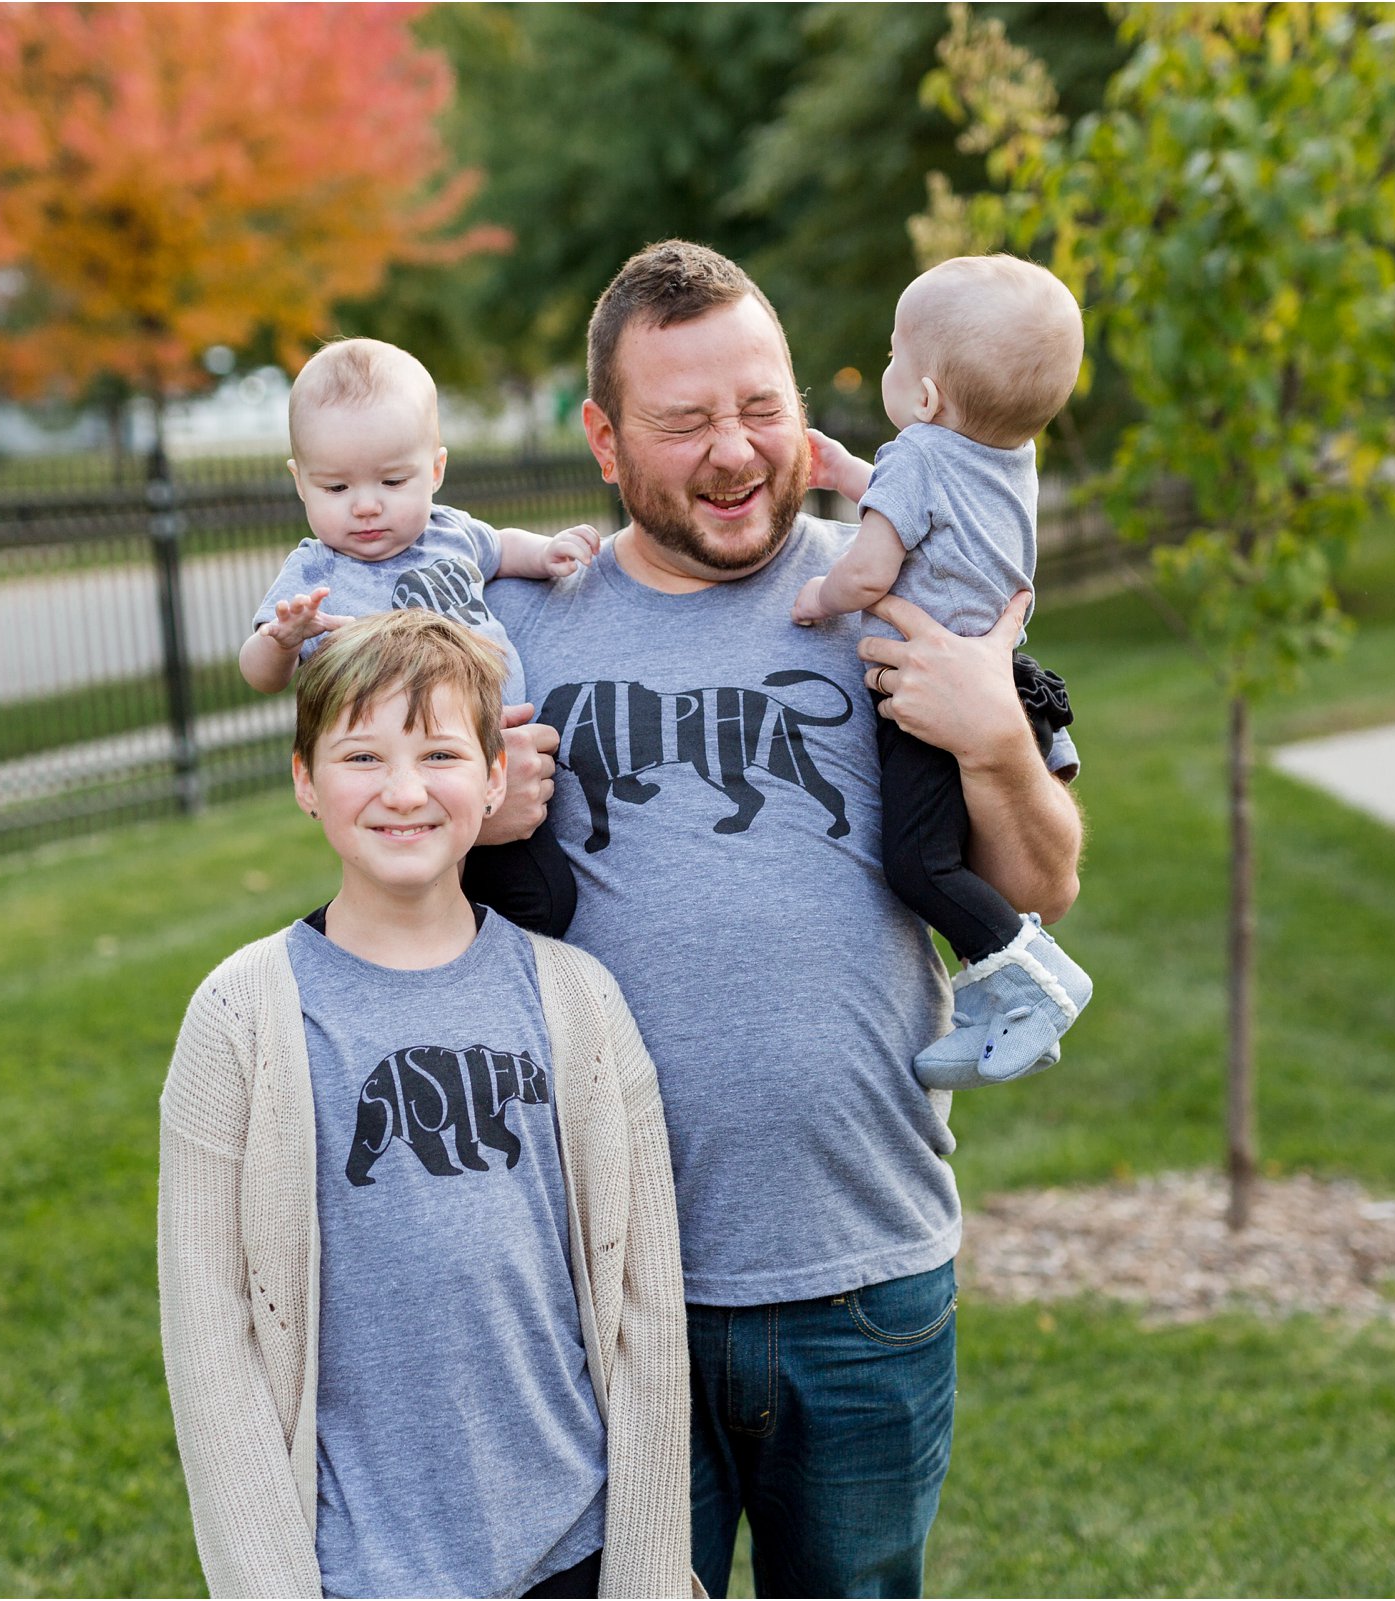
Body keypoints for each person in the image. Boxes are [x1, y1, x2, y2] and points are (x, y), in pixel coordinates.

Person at [484, 241, 1084, 1598]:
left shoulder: (919, 587)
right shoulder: (519, 624)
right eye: (682, 421)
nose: (732, 452)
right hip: (604, 1290)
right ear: (600, 436)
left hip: (862, 1270)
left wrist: (994, 740)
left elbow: (1038, 889)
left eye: (756, 408)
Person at [159, 609, 697, 1599]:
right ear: (302, 780)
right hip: (358, 1569)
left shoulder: (577, 1000)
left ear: (495, 777)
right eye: (361, 754)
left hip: (569, 1553)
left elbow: (644, 1315)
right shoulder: (241, 1017)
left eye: (439, 752)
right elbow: (211, 1343)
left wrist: (652, 1571)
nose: (402, 790)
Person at [789, 253, 1095, 1090]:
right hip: (998, 675)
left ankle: (1034, 984)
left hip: (931, 696)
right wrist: (846, 472)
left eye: (893, 355)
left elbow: (868, 573)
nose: (886, 365)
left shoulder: (919, 453)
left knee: (918, 863)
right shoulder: (1006, 457)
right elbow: (917, 505)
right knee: (943, 856)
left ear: (923, 398)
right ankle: (998, 1003)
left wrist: (817, 595)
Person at [241, 335, 602, 935]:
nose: (365, 507)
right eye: (337, 488)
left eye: (391, 482)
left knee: (543, 898)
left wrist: (548, 553)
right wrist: (282, 640)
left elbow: (503, 547)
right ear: (300, 481)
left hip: (496, 749)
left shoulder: (449, 533)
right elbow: (258, 675)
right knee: (459, 911)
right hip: (407, 773)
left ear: (434, 470)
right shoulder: (317, 572)